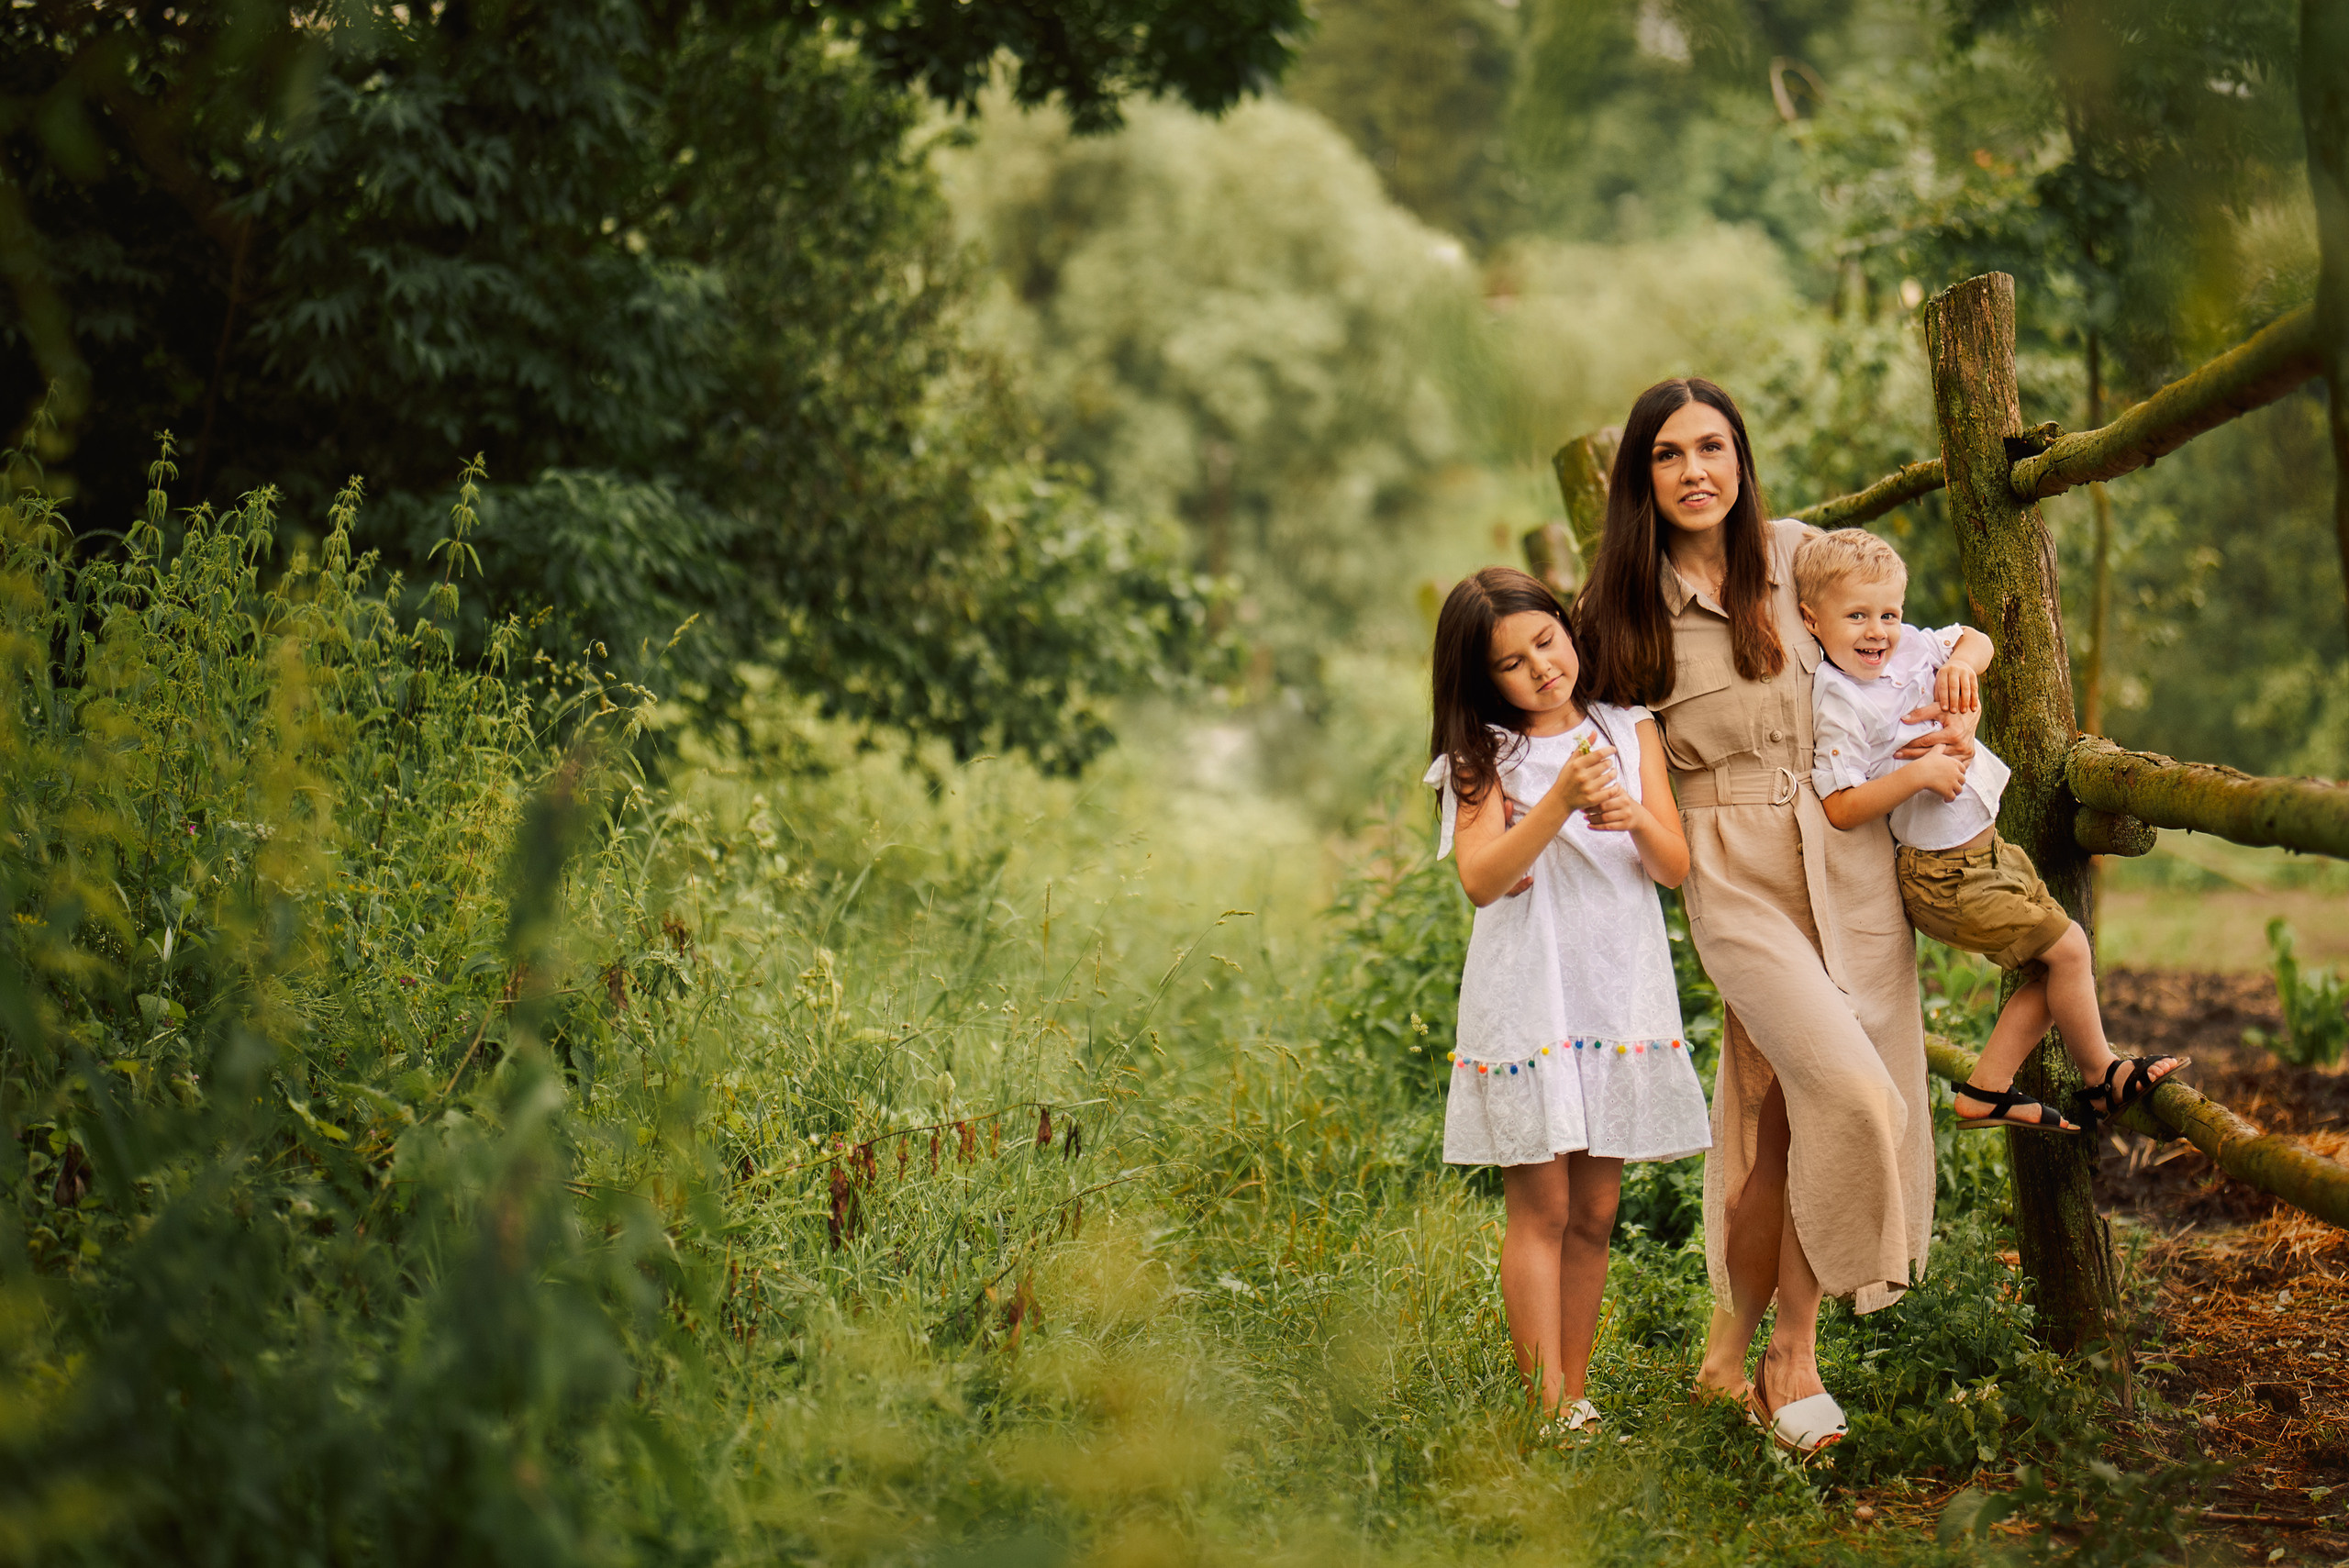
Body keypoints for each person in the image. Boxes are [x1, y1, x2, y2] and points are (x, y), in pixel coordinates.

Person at [1574, 378, 1950, 1459]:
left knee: (1786, 1120)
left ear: (1740, 458)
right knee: (1848, 1091)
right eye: (1668, 453)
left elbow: (1901, 632)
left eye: (1714, 446)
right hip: (1732, 876)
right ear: (1639, 477)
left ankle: (1737, 1351)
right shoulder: (1620, 611)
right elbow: (1565, 728)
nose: (1696, 469)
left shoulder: (1795, 556)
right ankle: (1795, 1355)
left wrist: (1961, 661)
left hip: (1847, 860)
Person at [1425, 566, 1711, 1441]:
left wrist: (1629, 812)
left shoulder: (1630, 730)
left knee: (1595, 1212)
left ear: (1566, 625)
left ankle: (1575, 1396)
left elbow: (1674, 864)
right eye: (1511, 663)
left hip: (1614, 993)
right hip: (1531, 997)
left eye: (1546, 639)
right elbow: (1482, 877)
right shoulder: (1483, 757)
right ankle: (1545, 1404)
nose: (1541, 668)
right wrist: (1557, 800)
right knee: (1541, 1209)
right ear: (1484, 681)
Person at [1794, 527, 2187, 1135]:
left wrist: (1959, 666)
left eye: (1890, 612)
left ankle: (1992, 1088)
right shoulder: (1839, 698)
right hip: (1944, 873)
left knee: (2057, 964)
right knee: (2071, 950)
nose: (1878, 630)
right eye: (1857, 616)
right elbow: (1841, 804)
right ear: (1811, 619)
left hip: (1987, 851)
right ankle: (2101, 1075)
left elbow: (1975, 639)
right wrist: (1920, 773)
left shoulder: (1910, 649)